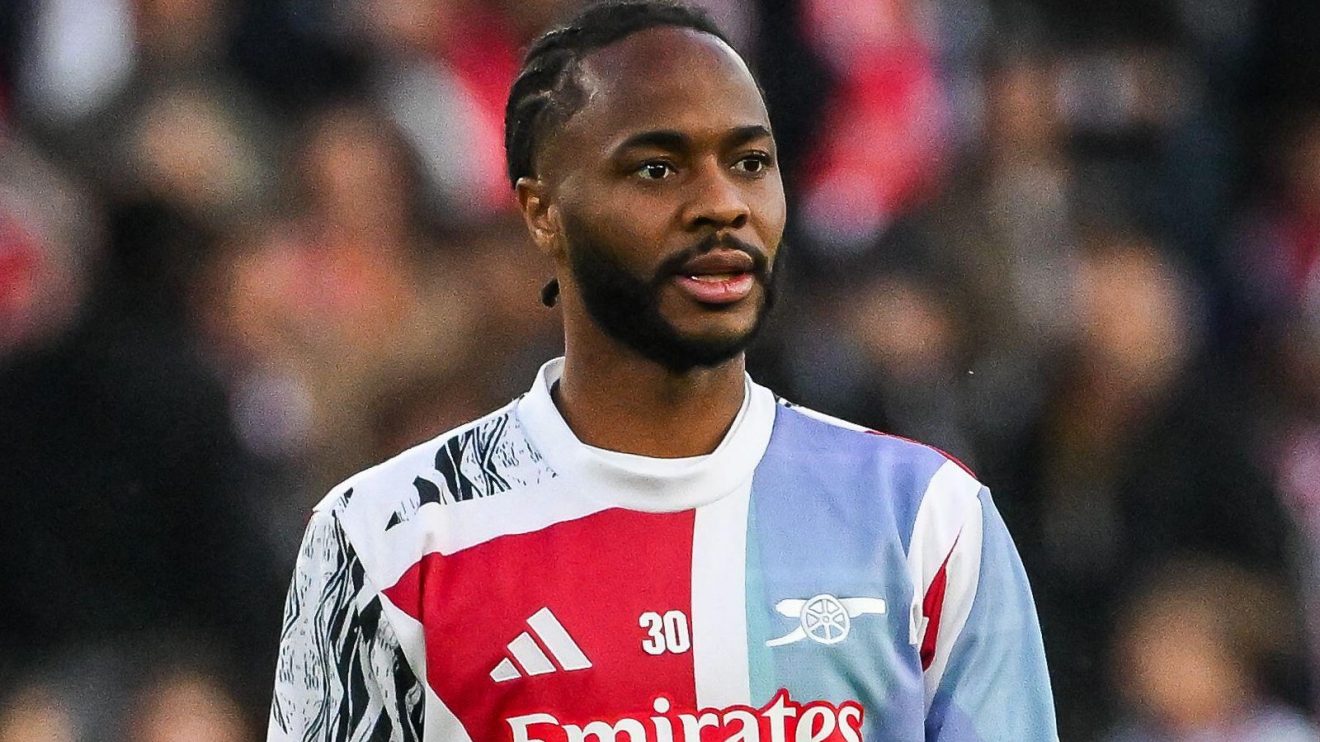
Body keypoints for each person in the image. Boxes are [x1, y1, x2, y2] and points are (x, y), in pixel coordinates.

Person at [267, 2, 1057, 740]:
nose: (722, 203)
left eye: (750, 162)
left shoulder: (925, 521)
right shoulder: (386, 538)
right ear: (542, 211)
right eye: (657, 169)